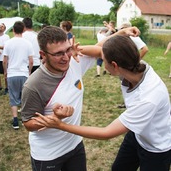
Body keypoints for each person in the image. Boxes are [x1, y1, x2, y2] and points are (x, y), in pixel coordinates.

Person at [33, 35, 171, 171]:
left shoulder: (148, 98)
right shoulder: (130, 65)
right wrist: (72, 51)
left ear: (114, 65)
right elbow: (99, 51)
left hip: (156, 146)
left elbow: (106, 133)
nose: (101, 60)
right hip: (137, 135)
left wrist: (60, 125)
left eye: (103, 61)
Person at [20, 25, 139, 171]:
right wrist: (55, 118)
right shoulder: (33, 85)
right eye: (58, 54)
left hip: (75, 146)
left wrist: (121, 33)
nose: (65, 58)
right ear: (43, 55)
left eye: (67, 50)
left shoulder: (74, 61)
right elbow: (28, 123)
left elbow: (101, 46)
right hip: (48, 155)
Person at [3, 21, 33, 129]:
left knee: (13, 97)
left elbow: (5, 60)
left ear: (13, 30)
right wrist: (29, 72)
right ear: (23, 29)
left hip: (12, 73)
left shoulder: (8, 43)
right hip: (23, 73)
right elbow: (31, 61)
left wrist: (5, 71)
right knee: (24, 97)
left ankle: (15, 120)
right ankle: (25, 118)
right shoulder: (27, 43)